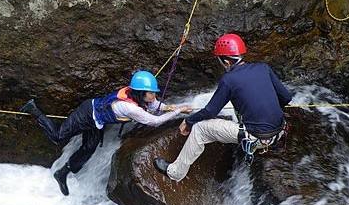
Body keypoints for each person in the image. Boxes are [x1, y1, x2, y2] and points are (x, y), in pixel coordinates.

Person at [20, 70, 192, 195]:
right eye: (151, 93)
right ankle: (33, 109)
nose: (154, 96)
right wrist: (177, 112)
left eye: (154, 93)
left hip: (97, 121)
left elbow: (154, 106)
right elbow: (154, 121)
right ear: (141, 93)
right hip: (86, 113)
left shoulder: (136, 96)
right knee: (58, 137)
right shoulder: (128, 106)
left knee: (88, 149)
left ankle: (62, 173)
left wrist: (174, 107)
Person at [154, 33, 292, 181]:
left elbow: (211, 111)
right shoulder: (263, 68)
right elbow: (286, 98)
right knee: (237, 106)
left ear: (226, 62)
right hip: (278, 132)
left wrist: (189, 121)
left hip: (257, 137)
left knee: (200, 129)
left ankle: (175, 173)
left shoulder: (229, 80)